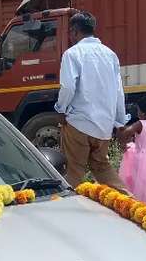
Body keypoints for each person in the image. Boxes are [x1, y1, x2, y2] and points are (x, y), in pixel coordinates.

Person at [54, 11, 128, 190]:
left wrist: (61, 110)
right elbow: (119, 91)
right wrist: (119, 122)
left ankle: (73, 212)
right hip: (103, 127)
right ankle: (128, 202)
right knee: (102, 167)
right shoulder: (110, 55)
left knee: (73, 171)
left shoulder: (72, 54)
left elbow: (69, 87)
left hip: (79, 123)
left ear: (74, 32)